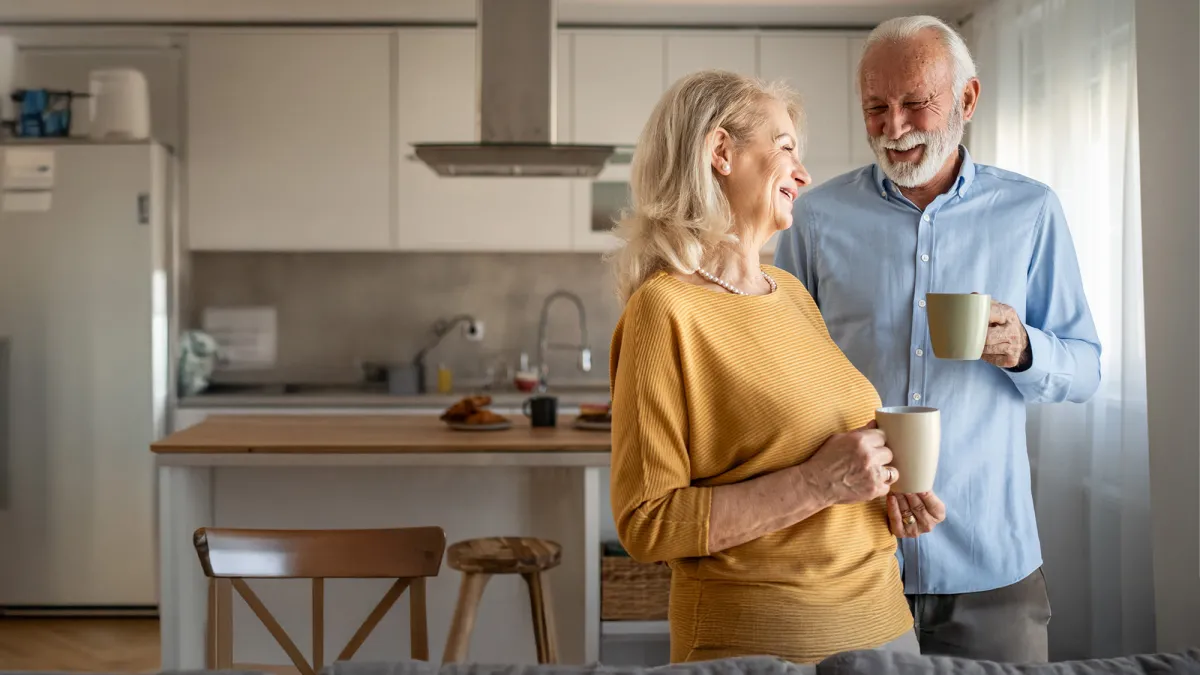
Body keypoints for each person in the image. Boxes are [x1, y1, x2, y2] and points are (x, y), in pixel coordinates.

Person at [774, 16, 1102, 663]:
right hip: (850, 556)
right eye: (876, 107)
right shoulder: (815, 216)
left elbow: (1086, 367)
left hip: (991, 566)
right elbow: (783, 374)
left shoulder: (1031, 211)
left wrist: (1025, 348)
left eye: (915, 103)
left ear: (967, 100)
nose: (895, 128)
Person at [605, 68, 946, 665]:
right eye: (785, 148)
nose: (804, 173)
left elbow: (812, 450)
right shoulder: (665, 310)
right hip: (765, 647)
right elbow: (648, 524)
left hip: (885, 631)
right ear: (720, 152)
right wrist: (817, 483)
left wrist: (878, 494)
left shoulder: (788, 291)